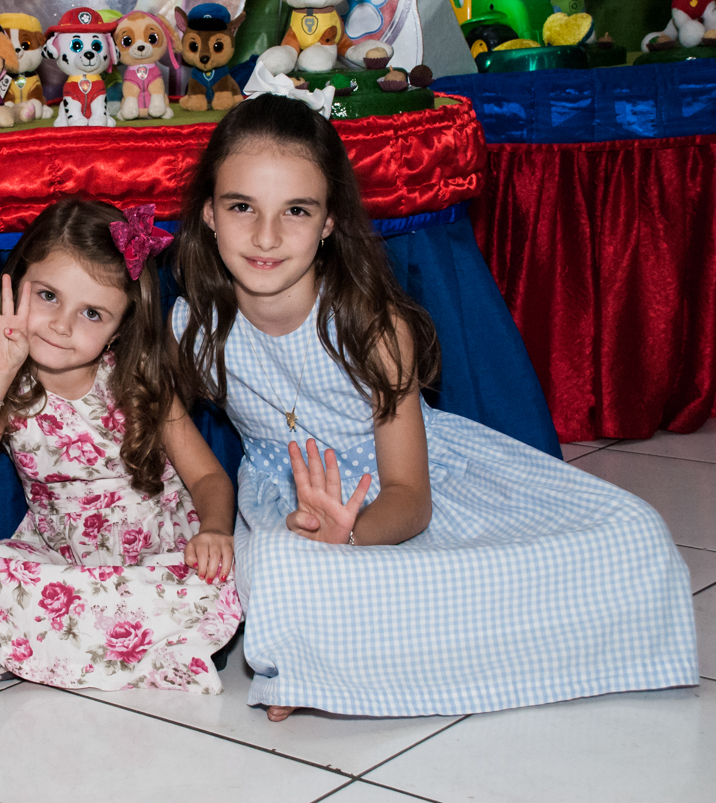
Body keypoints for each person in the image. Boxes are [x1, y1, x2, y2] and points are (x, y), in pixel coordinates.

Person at [171, 94, 698, 720]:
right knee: (285, 571)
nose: (265, 236)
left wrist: (354, 534)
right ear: (208, 212)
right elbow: (164, 419)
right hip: (289, 506)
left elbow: (410, 497)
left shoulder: (372, 326)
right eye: (241, 207)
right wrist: (219, 514)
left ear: (330, 221)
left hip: (408, 492)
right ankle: (315, 667)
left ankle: (362, 649)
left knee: (632, 532)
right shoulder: (191, 326)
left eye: (296, 210)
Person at [0, 199, 242, 693]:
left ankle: (85, 643)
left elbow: (208, 476)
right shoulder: (7, 390)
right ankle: (132, 647)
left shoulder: (137, 381)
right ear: (16, 285)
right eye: (48, 296)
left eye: (92, 313)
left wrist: (212, 530)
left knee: (199, 581)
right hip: (64, 559)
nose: (62, 325)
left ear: (119, 328)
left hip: (153, 558)